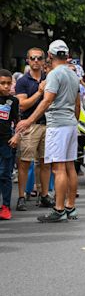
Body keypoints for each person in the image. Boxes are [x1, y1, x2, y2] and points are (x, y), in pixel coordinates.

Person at [17, 39, 80, 222]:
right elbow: (77, 104)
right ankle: (70, 207)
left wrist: (29, 120)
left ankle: (59, 210)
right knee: (70, 167)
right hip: (70, 124)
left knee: (58, 169)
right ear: (66, 55)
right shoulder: (73, 75)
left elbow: (47, 101)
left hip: (57, 125)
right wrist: (74, 122)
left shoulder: (53, 75)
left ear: (50, 56)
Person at [14, 47, 54, 211]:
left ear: (44, 61)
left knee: (45, 162)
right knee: (25, 162)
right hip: (30, 126)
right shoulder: (23, 81)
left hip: (48, 124)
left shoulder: (50, 78)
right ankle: (22, 197)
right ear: (28, 61)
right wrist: (39, 93)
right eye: (33, 58)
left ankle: (44, 195)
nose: (36, 61)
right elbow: (22, 105)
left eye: (39, 58)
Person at [0, 69, 20, 220]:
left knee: (5, 175)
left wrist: (17, 136)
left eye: (9, 83)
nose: (6, 86)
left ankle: (5, 206)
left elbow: (17, 121)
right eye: (2, 83)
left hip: (6, 142)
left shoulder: (13, 101)